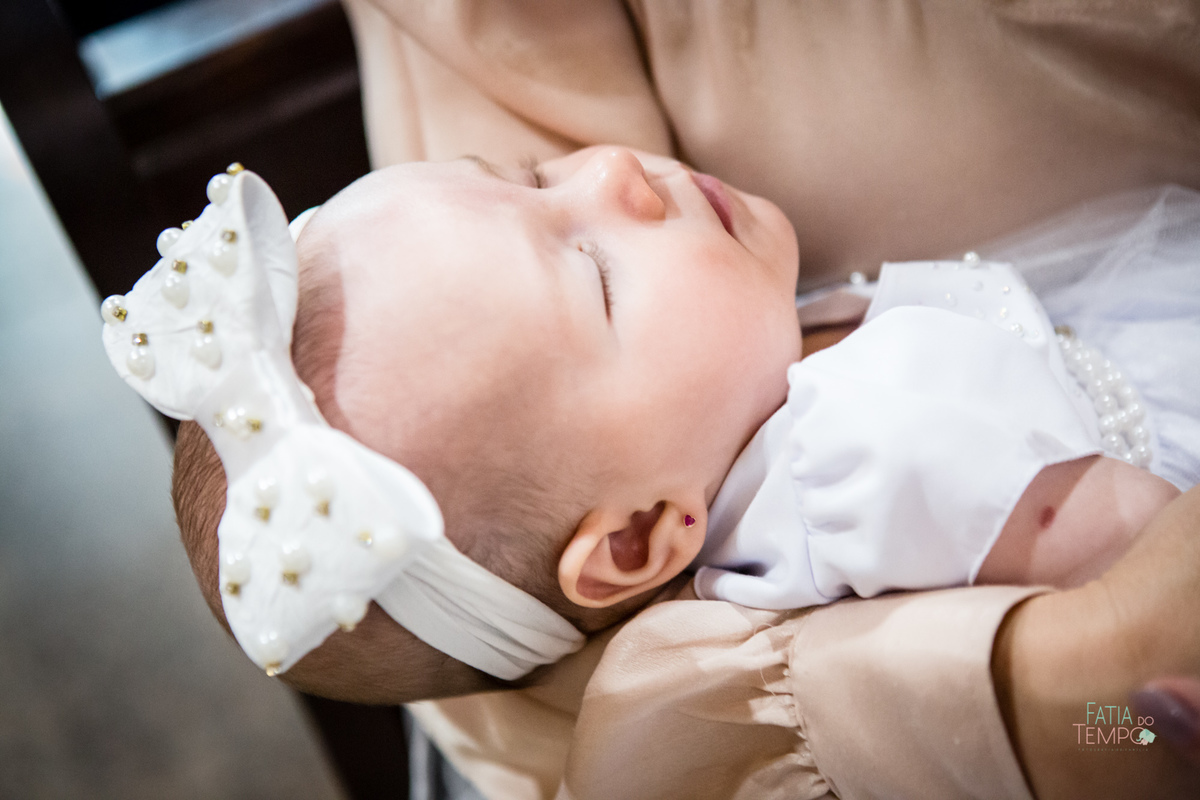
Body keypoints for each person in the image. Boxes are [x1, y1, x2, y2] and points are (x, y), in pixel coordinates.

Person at [167, 0, 1200, 797]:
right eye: (596, 275)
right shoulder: (872, 444)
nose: (615, 171)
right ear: (640, 538)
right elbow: (1149, 571)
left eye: (531, 174)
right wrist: (1131, 720)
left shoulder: (741, 402)